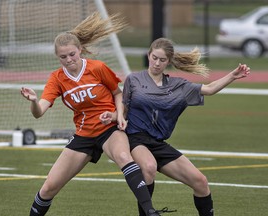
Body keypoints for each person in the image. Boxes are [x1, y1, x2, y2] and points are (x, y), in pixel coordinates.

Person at [21, 12, 163, 216]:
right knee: (49, 188)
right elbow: (39, 112)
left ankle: (150, 212)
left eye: (72, 54)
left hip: (108, 129)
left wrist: (119, 115)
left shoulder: (97, 68)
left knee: (124, 157)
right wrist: (34, 101)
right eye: (63, 57)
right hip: (83, 136)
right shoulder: (57, 78)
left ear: (79, 50)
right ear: (57, 57)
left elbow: (118, 93)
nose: (69, 59)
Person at [101, 37, 250, 216]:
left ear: (168, 62)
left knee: (200, 182)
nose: (157, 63)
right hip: (135, 137)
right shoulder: (134, 79)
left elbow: (209, 89)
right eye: (154, 57)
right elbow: (124, 109)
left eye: (162, 60)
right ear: (148, 55)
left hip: (158, 142)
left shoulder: (178, 85)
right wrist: (113, 116)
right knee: (148, 167)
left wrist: (232, 76)